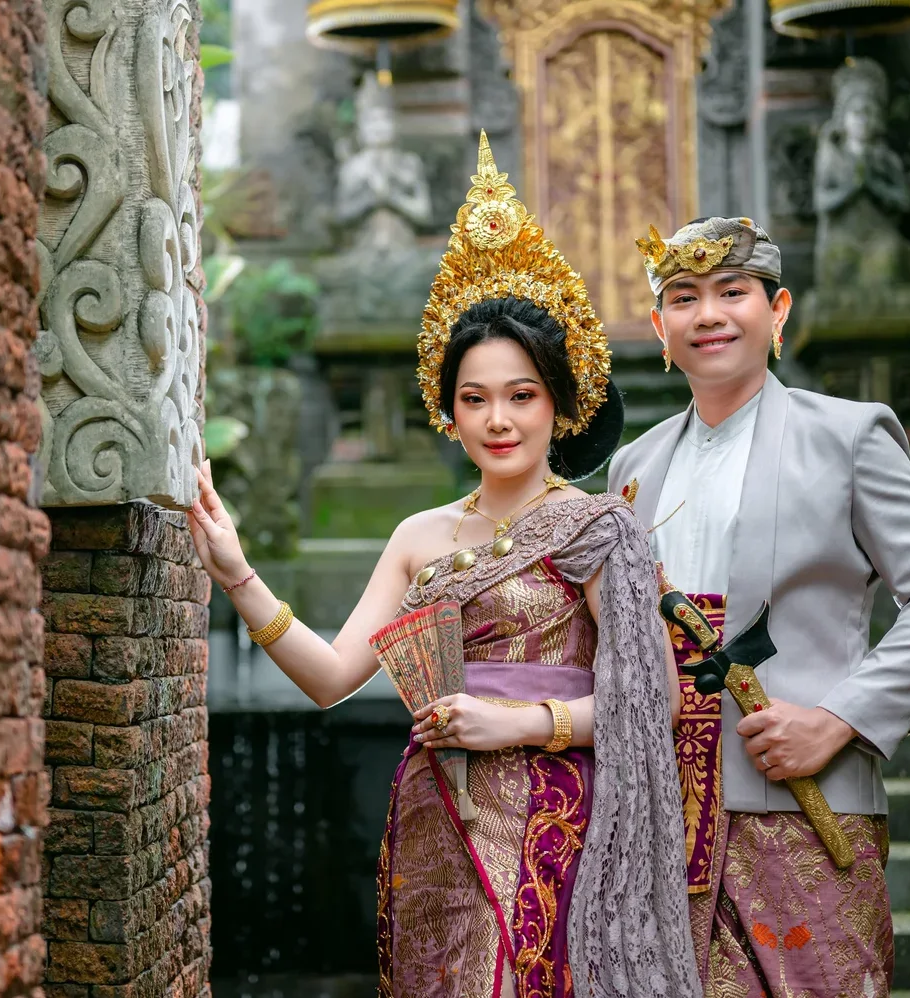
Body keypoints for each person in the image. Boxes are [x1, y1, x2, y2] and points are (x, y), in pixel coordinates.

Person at [187, 134, 701, 998]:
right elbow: (331, 678)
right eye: (474, 399)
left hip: (560, 823)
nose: (498, 419)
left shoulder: (601, 530)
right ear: (447, 411)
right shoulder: (418, 537)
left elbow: (656, 698)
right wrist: (238, 575)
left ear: (560, 405)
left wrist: (525, 725)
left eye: (520, 395)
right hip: (436, 822)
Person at [612, 217, 910, 995]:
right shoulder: (633, 466)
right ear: (659, 326)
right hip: (657, 823)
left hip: (798, 808)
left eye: (732, 292)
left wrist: (839, 718)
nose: (708, 314)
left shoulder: (847, 437)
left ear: (777, 310)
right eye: (683, 298)